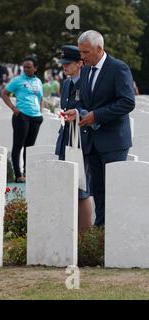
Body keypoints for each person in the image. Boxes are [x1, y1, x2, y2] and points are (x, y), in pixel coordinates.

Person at [61, 30, 135, 227]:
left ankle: (116, 232)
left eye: (85, 52)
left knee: (113, 190)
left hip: (113, 141)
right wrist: (76, 114)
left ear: (99, 49)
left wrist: (97, 115)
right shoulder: (85, 70)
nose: (81, 57)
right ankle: (101, 231)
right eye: (80, 52)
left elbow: (127, 102)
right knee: (98, 190)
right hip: (91, 140)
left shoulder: (118, 68)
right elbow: (86, 102)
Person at [55, 45, 92, 233]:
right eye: (63, 64)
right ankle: (70, 232)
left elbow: (91, 110)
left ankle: (85, 237)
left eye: (68, 63)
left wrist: (78, 113)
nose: (64, 67)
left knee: (81, 189)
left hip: (82, 141)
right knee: (67, 188)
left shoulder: (88, 82)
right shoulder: (67, 84)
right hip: (67, 139)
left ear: (80, 63)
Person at [2, 56, 44, 183]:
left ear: (35, 68)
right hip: (22, 116)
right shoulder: (18, 80)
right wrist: (14, 108)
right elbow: (4, 93)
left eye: (29, 67)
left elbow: (41, 98)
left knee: (30, 147)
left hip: (35, 117)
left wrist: (40, 112)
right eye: (24, 67)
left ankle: (28, 173)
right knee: (18, 146)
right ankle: (18, 174)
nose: (26, 69)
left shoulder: (38, 81)